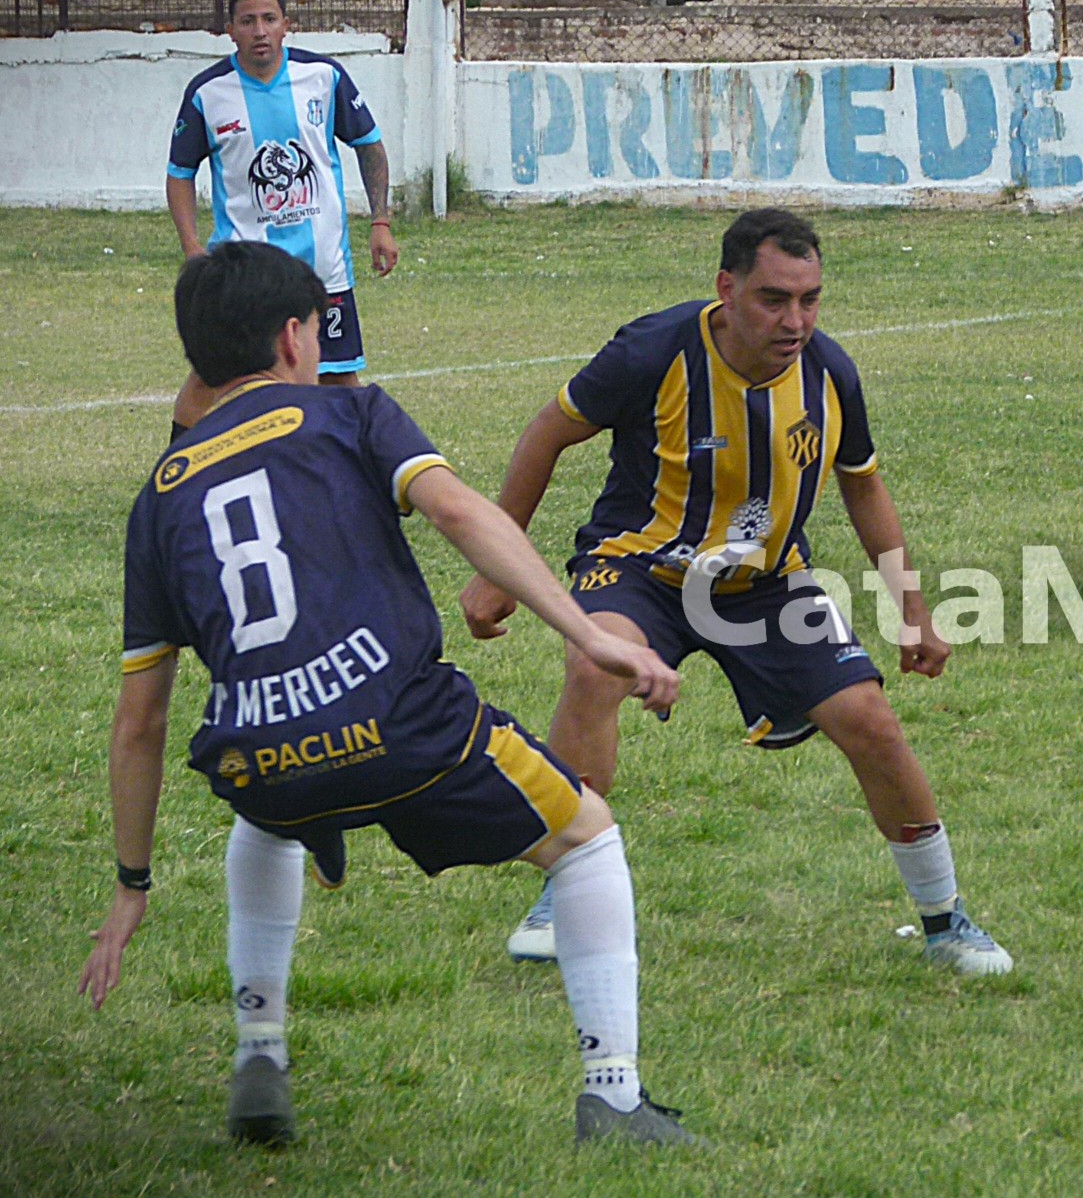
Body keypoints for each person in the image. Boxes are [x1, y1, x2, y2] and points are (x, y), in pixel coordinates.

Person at [80, 242, 699, 1146]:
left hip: (262, 760)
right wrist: (590, 634)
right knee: (585, 838)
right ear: (294, 338)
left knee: (266, 818)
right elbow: (457, 512)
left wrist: (132, 883)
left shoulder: (158, 499)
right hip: (409, 733)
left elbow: (141, 719)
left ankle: (260, 1046)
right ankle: (613, 1094)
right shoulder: (350, 413)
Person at [459, 208, 1013, 978]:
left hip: (766, 584)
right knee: (598, 666)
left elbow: (864, 487)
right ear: (726, 288)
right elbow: (547, 433)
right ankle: (566, 888)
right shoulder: (652, 351)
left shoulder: (829, 372)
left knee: (870, 718)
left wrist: (912, 610)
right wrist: (497, 567)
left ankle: (946, 919)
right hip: (641, 569)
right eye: (774, 299)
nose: (795, 320)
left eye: (810, 299)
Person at [165, 0, 399, 437]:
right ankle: (174, 472)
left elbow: (369, 145)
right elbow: (179, 173)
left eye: (269, 19)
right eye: (247, 21)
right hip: (244, 274)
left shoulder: (324, 78)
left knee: (338, 375)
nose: (259, 30)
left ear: (286, 25)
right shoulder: (207, 92)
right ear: (230, 30)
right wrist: (192, 248)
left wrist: (381, 220)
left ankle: (361, 473)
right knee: (214, 376)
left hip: (322, 267)